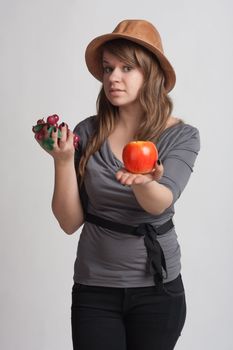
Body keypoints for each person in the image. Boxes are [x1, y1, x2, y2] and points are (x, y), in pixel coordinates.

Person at [34, 19, 200, 350]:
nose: (113, 77)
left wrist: (142, 183)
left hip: (158, 290)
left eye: (127, 67)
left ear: (150, 73)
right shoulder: (87, 132)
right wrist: (63, 160)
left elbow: (159, 202)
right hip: (95, 287)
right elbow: (69, 223)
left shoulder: (181, 136)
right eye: (109, 68)